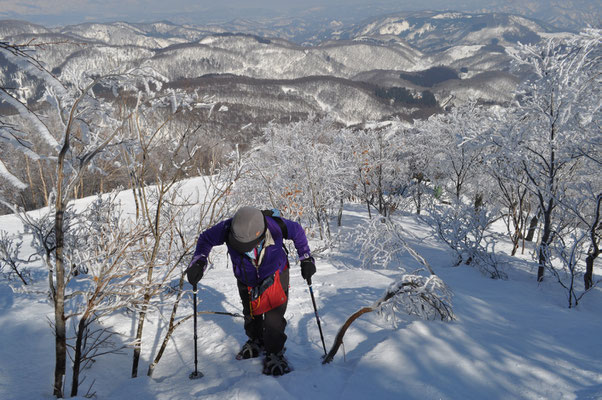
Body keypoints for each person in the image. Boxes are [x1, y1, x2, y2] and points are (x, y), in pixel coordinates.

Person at [185, 206, 316, 376]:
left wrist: (306, 258)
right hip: (246, 278)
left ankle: (274, 352)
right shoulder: (227, 228)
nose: (245, 249)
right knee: (251, 312)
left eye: (248, 245)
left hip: (275, 273)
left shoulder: (276, 226)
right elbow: (205, 239)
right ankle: (256, 340)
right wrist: (199, 260)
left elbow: (298, 231)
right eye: (239, 246)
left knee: (273, 319)